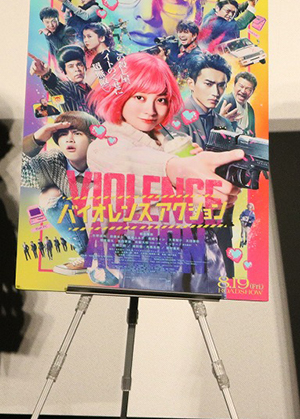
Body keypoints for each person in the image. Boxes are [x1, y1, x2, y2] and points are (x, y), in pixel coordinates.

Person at [86, 53, 243, 290]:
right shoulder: (105, 144)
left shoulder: (171, 140)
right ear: (120, 95)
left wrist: (207, 183)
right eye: (139, 97)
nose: (150, 109)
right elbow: (128, 162)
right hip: (151, 258)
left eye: (160, 99)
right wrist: (179, 169)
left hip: (202, 255)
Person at [169, 52, 240, 278]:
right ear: (191, 83)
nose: (216, 92)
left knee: (225, 272)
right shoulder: (173, 118)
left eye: (221, 85)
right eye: (209, 84)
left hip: (221, 210)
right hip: (188, 212)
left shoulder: (224, 122)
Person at [20, 111, 100, 275]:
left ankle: (104, 256)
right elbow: (14, 171)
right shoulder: (52, 161)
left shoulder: (108, 162)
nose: (69, 139)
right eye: (63, 134)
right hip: (80, 224)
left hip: (112, 228)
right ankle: (87, 256)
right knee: (50, 195)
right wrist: (36, 139)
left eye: (77, 133)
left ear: (92, 139)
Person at [29, 46, 94, 115]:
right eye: (71, 66)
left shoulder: (90, 90)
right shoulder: (69, 87)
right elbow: (57, 86)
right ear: (64, 71)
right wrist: (46, 74)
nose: (77, 69)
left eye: (79, 64)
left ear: (84, 67)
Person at [217, 71, 258, 136]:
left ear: (252, 92)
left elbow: (252, 134)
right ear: (234, 85)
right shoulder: (223, 101)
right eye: (241, 86)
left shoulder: (250, 109)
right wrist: (221, 122)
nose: (243, 91)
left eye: (248, 89)